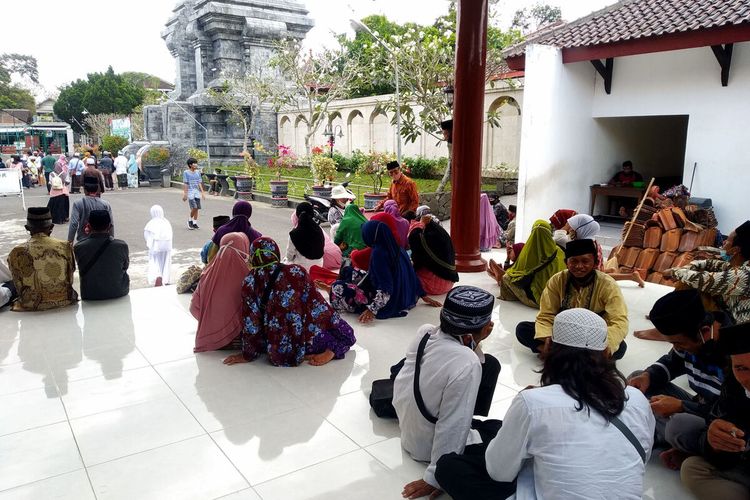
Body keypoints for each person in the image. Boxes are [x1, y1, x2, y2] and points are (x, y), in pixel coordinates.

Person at [437, 309, 655, 500]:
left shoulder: (533, 403)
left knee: (449, 467)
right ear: (607, 353)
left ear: (548, 347)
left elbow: (498, 472)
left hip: (534, 485)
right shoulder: (636, 399)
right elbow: (640, 459)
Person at [393, 286, 501, 500]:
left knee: (490, 364)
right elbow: (453, 424)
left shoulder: (425, 332)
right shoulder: (467, 362)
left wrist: (474, 340)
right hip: (430, 450)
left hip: (409, 435)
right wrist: (435, 476)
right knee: (500, 430)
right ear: (481, 328)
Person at [627, 290, 729, 470]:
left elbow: (735, 412)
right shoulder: (693, 338)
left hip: (721, 421)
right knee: (637, 380)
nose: (677, 348)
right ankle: (660, 433)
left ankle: (662, 435)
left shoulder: (738, 355)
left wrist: (681, 406)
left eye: (678, 343)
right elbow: (672, 362)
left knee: (679, 425)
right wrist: (647, 376)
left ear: (704, 331)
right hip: (699, 407)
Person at [222, 237, 356, 367]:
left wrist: (247, 354)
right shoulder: (296, 271)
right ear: (275, 253)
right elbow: (318, 305)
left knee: (268, 335)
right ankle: (330, 348)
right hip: (307, 338)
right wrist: (336, 324)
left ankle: (303, 350)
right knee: (345, 333)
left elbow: (252, 323)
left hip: (278, 345)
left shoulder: (250, 281)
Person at [515, 238, 629, 360]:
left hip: (591, 335)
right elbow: (546, 314)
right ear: (566, 262)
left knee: (621, 347)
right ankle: (582, 359)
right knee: (523, 329)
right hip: (562, 332)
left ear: (595, 263)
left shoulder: (608, 284)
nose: (579, 266)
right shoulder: (557, 280)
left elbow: (619, 321)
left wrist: (607, 345)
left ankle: (558, 356)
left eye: (585, 261)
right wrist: (547, 337)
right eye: (573, 261)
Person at [680, 321, 750, 500]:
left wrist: (681, 405)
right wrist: (714, 442)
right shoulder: (734, 387)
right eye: (741, 368)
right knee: (692, 467)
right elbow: (717, 431)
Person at [330, 220, 442, 322]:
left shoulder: (379, 253)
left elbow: (386, 288)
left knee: (337, 287)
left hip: (388, 301)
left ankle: (334, 291)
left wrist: (372, 310)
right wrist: (423, 295)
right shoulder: (397, 248)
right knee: (347, 271)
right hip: (401, 294)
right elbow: (411, 274)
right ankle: (346, 286)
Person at [668, 220, 750, 325]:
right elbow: (708, 263)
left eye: (727, 241)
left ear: (735, 250)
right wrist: (687, 268)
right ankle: (670, 317)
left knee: (692, 281)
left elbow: (704, 280)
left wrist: (673, 272)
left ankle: (670, 324)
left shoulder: (745, 274)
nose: (723, 242)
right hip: (729, 314)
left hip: (737, 331)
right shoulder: (737, 265)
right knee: (692, 276)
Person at [7, 207, 78, 311]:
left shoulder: (17, 251)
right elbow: (70, 274)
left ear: (27, 228)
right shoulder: (65, 246)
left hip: (31, 305)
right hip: (65, 300)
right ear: (51, 227)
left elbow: (17, 282)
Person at [192, 232, 250, 352]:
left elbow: (194, 306)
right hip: (240, 340)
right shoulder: (248, 276)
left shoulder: (207, 273)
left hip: (209, 333)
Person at [490, 220, 566, 309]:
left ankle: (499, 276)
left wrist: (507, 262)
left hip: (539, 300)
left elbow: (517, 272)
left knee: (506, 278)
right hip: (559, 299)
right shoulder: (559, 251)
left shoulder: (529, 252)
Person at [564, 213, 645, 287]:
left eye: (573, 228)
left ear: (581, 229)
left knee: (597, 278)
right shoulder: (591, 240)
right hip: (597, 267)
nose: (570, 230)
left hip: (593, 271)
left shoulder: (583, 245)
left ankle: (631, 276)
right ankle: (609, 270)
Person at [73, 210, 129, 300]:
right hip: (119, 292)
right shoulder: (121, 245)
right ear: (110, 226)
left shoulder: (79, 247)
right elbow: (125, 267)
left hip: (91, 295)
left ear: (89, 226)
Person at [409, 218, 459, 295]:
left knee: (405, 275)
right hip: (449, 282)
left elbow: (417, 263)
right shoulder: (439, 234)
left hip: (435, 286)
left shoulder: (424, 240)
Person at [68, 178, 114, 243]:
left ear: (85, 190)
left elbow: (74, 223)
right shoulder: (105, 204)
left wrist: (70, 241)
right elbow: (111, 223)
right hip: (103, 240)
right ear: (97, 189)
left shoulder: (78, 203)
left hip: (83, 239)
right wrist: (111, 239)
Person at [284, 202, 325, 272]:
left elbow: (289, 256)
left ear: (297, 214)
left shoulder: (294, 233)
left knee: (285, 262)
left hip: (302, 268)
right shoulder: (319, 229)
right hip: (319, 265)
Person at [144, 205, 173, 287]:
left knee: (155, 261)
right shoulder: (166, 222)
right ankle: (166, 278)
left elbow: (147, 235)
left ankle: (157, 276)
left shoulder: (151, 223)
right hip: (167, 246)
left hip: (156, 246)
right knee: (166, 261)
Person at [182, 157, 205, 229]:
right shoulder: (186, 172)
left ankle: (194, 222)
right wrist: (185, 194)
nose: (196, 164)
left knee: (197, 208)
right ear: (190, 165)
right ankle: (189, 220)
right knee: (194, 207)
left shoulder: (198, 172)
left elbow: (199, 182)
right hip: (190, 193)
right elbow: (186, 183)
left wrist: (203, 193)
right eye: (194, 163)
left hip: (197, 192)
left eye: (196, 163)